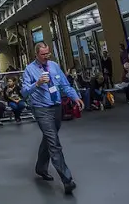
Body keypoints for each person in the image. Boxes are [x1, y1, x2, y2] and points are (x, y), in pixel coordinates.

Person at [21, 43, 82, 195]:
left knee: (49, 138)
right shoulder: (30, 70)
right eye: (43, 54)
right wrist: (38, 83)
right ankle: (67, 180)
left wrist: (75, 97)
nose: (46, 56)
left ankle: (41, 167)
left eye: (48, 53)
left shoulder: (54, 66)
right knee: (54, 143)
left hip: (56, 107)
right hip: (41, 109)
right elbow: (24, 92)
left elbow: (64, 85)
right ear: (36, 54)